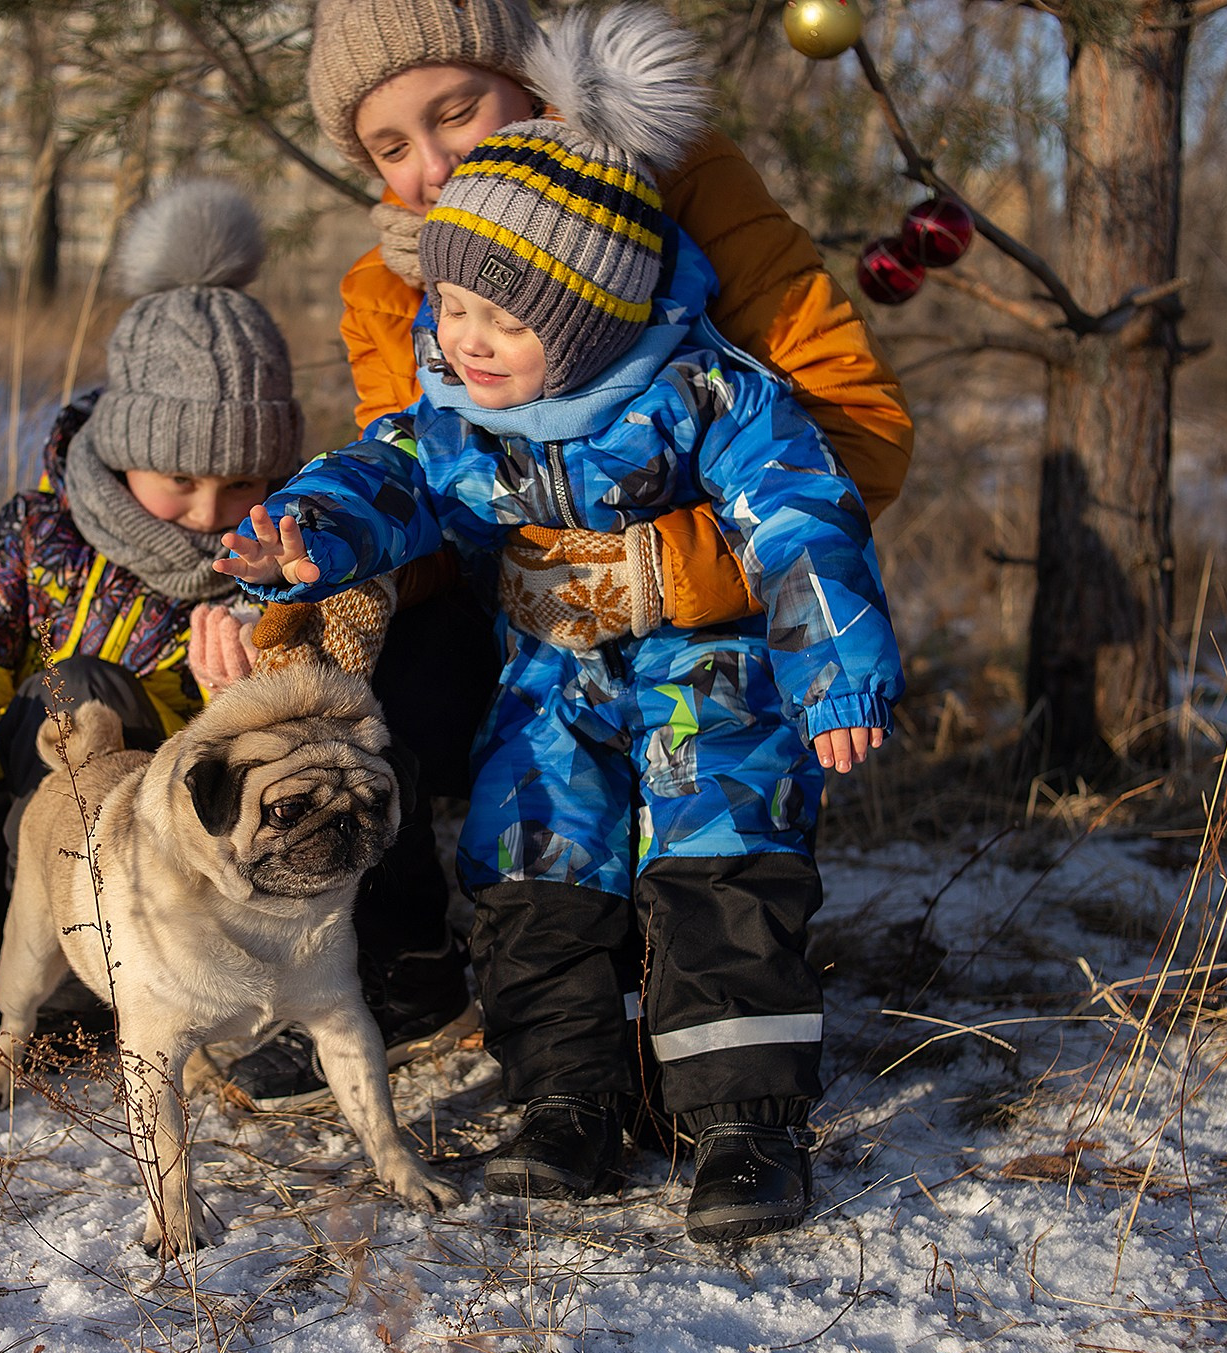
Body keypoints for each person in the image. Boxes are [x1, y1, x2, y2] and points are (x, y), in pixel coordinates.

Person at [218, 7, 904, 1244]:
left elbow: (808, 495)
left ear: (530, 82)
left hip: (707, 655)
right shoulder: (444, 347)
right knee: (530, 856)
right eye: (386, 147)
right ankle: (558, 1095)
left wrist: (823, 664)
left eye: (453, 114)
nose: (423, 170)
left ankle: (742, 1119)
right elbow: (395, 467)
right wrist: (301, 562)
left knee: (721, 860)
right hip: (544, 670)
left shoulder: (698, 368)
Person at [0, 181, 475, 1069]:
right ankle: (61, 1000)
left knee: (87, 688)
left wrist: (250, 703)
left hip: (173, 854)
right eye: (178, 480)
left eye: (240, 484)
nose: (208, 511)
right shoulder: (41, 531)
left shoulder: (293, 558)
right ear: (118, 446)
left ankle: (143, 1004)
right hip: (23, 815)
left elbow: (309, 750)